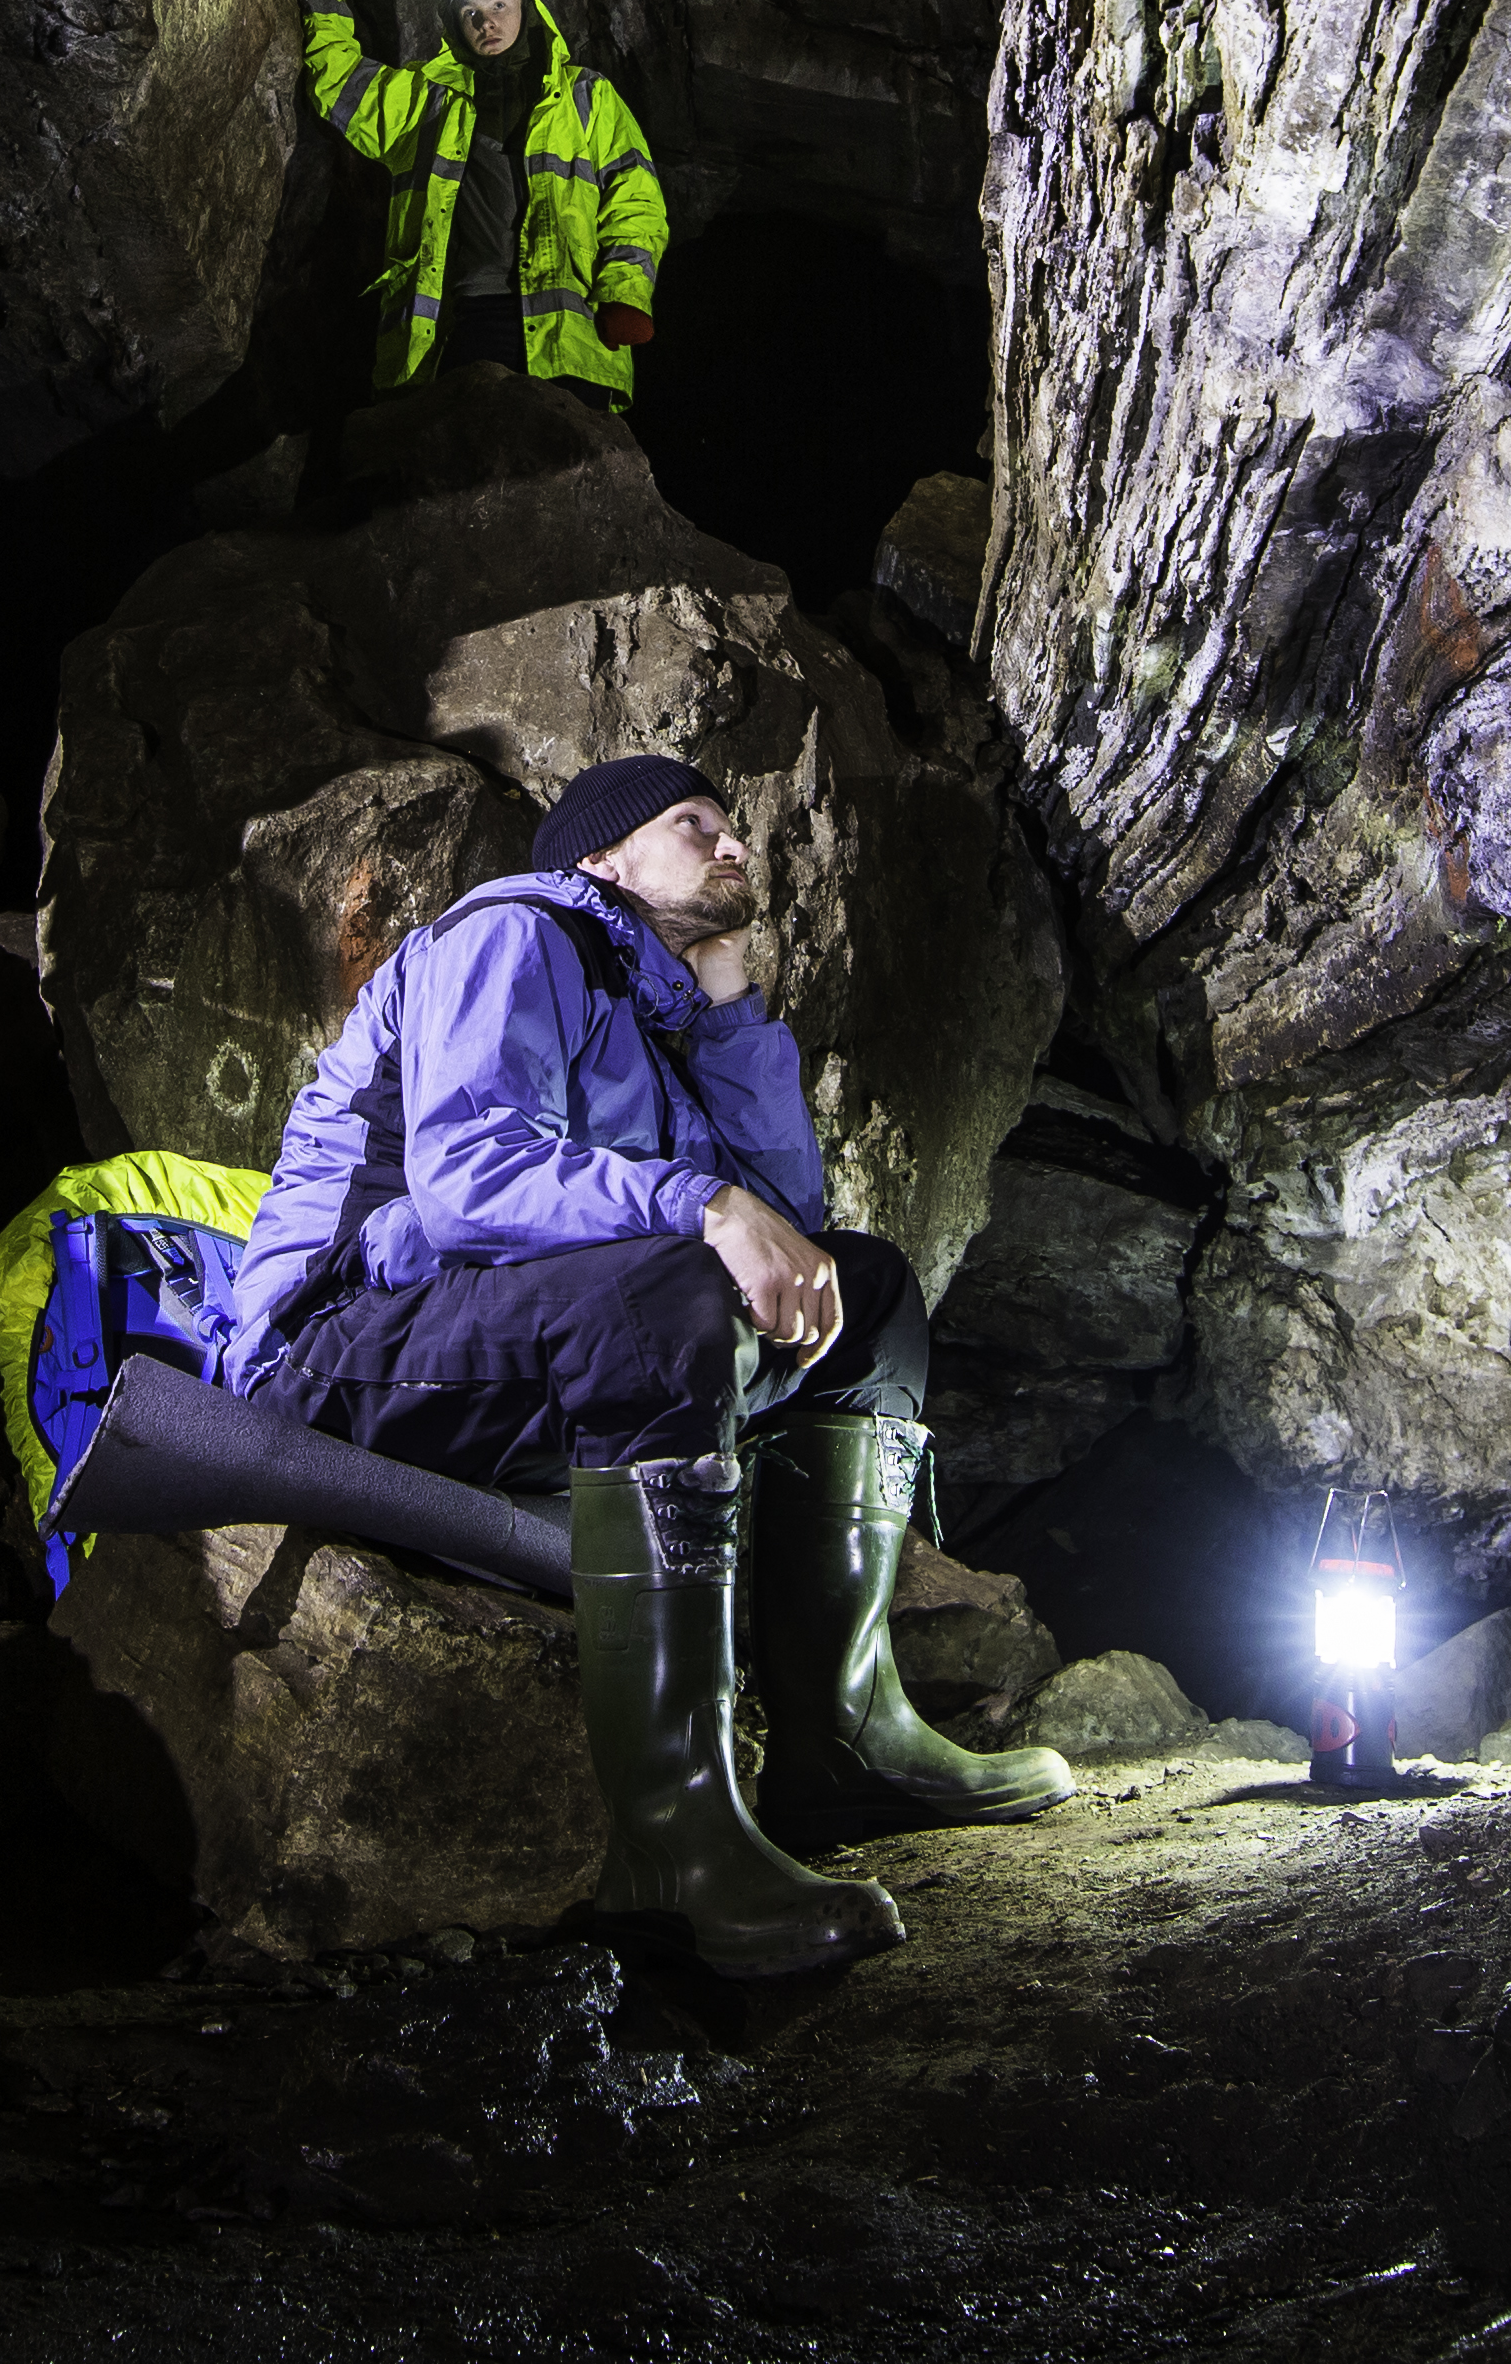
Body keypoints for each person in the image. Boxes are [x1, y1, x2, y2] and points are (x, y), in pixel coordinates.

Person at [223, 752, 1071, 1972]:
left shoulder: (652, 1007)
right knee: (670, 1290)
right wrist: (707, 1206)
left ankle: (845, 1743)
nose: (733, 848)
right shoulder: (514, 934)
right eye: (694, 826)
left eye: (732, 831)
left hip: (501, 1330)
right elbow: (468, 1185)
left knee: (870, 1290)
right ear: (602, 859)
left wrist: (729, 1008)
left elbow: (784, 1220)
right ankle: (672, 1840)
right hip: (342, 1339)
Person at [281, 0, 666, 408]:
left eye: (499, 5)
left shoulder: (586, 95)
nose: (487, 22)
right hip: (465, 324)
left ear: (527, 10)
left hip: (573, 335)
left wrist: (625, 294)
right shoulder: (427, 101)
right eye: (471, 12)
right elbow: (339, 84)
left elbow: (635, 198)